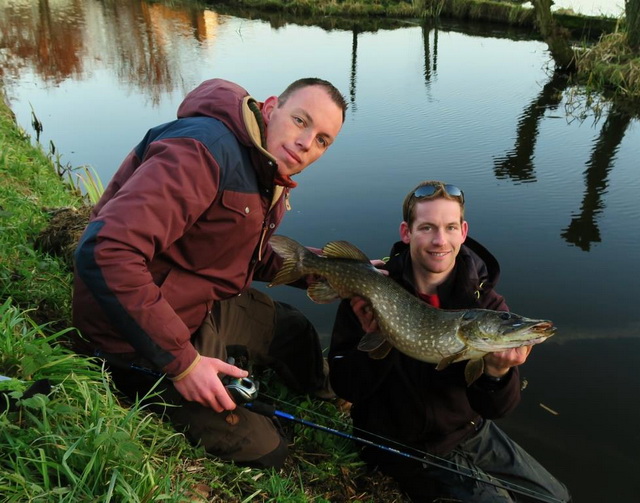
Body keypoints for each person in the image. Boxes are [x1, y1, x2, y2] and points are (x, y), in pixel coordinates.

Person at [72, 77, 347, 469]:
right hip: (129, 331)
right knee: (266, 448)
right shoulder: (202, 152)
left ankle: (328, 397)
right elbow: (106, 251)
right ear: (270, 108)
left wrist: (336, 272)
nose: (306, 143)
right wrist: (183, 363)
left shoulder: (265, 162)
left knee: (296, 332)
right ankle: (166, 377)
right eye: (301, 120)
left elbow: (248, 252)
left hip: (196, 303)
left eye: (322, 140)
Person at [328, 181, 570, 502]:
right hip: (404, 443)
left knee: (557, 498)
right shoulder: (372, 290)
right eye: (427, 227)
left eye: (450, 227)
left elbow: (496, 409)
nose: (440, 240)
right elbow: (346, 387)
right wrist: (376, 341)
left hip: (469, 432)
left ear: (463, 231)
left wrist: (497, 375)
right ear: (406, 232)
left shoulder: (489, 306)